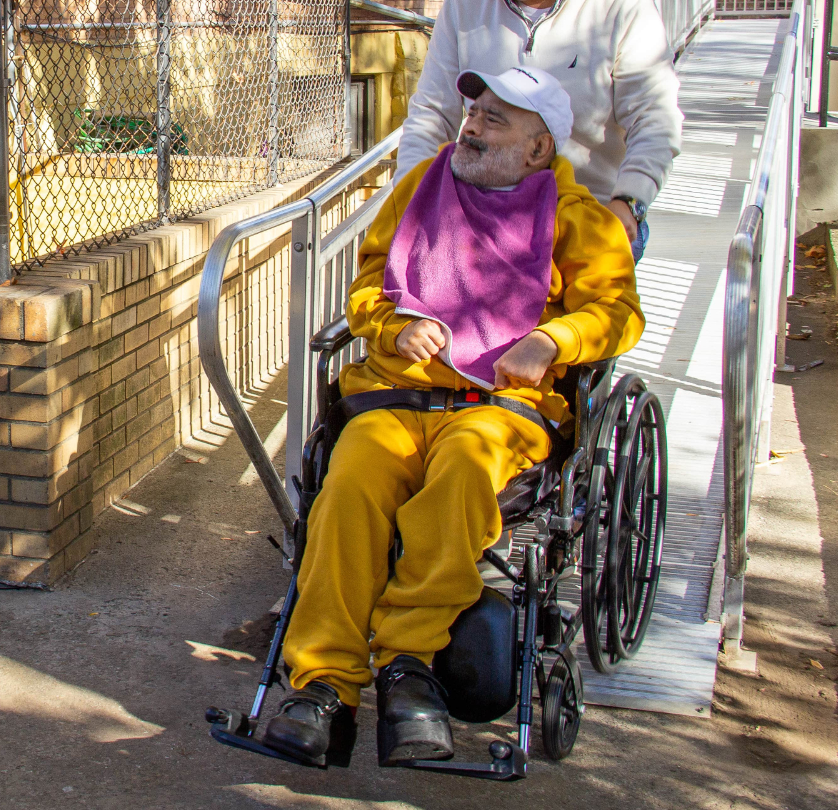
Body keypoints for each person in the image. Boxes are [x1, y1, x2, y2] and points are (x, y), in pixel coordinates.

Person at [262, 65, 644, 767]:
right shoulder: (420, 186)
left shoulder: (578, 218)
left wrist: (552, 339)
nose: (471, 126)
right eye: (474, 112)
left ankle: (408, 665)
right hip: (394, 394)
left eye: (495, 119)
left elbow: (617, 313)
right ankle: (323, 686)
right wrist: (394, 327)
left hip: (500, 405)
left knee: (462, 476)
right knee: (346, 489)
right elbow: (368, 287)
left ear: (538, 148)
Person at [397, 0, 682, 261]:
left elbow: (655, 119)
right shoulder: (462, 7)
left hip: (589, 222)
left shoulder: (623, 7)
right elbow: (431, 115)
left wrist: (629, 202)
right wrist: (410, 201)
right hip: (483, 224)